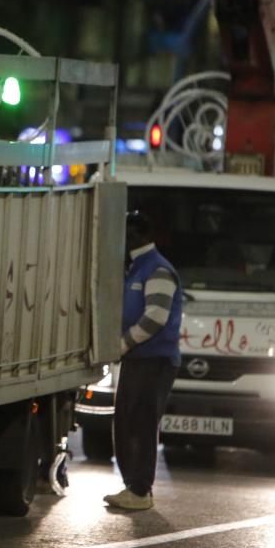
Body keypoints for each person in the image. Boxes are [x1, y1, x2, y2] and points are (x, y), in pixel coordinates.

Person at [104, 210, 183, 511]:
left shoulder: (157, 270)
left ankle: (139, 490)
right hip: (140, 358)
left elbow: (156, 317)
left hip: (155, 359)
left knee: (141, 422)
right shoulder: (138, 267)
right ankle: (133, 487)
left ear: (136, 235)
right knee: (127, 420)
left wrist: (122, 344)